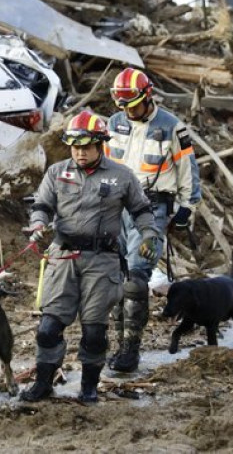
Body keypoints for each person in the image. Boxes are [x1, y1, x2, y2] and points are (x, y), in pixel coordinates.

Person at [19, 110, 156, 404]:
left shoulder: (122, 176)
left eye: (86, 147)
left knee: (94, 331)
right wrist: (38, 225)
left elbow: (142, 210)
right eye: (75, 147)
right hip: (63, 257)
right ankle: (43, 384)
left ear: (100, 144)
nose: (80, 153)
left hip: (102, 260)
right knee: (48, 328)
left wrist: (148, 236)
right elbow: (42, 206)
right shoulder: (57, 172)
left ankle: (89, 387)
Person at [105, 67, 201, 373]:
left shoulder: (172, 127)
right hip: (115, 207)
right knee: (116, 279)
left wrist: (187, 207)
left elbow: (188, 169)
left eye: (133, 106)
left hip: (151, 208)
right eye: (123, 106)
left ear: (147, 97)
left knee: (136, 280)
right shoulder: (114, 123)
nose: (128, 112)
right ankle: (118, 346)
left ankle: (130, 351)